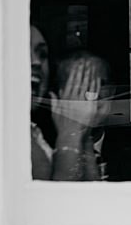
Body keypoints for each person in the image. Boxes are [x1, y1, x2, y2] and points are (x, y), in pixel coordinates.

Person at [29, 25, 107, 180]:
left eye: (42, 54)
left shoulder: (32, 132)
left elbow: (91, 196)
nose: (36, 62)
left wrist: (81, 134)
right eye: (78, 88)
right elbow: (60, 202)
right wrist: (70, 133)